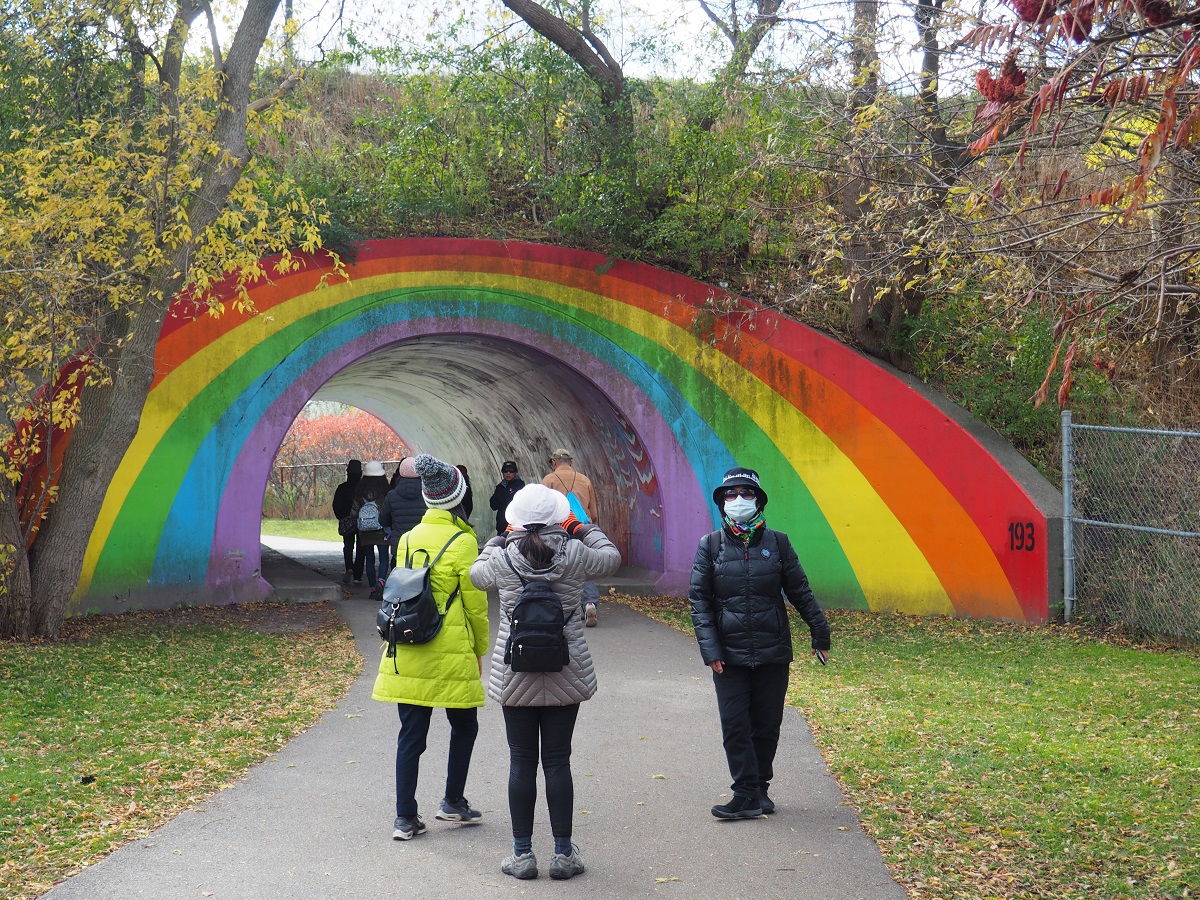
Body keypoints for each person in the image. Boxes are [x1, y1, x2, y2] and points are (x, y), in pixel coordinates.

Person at [471, 484, 621, 881]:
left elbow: (475, 575)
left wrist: (496, 539)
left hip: (515, 671)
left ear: (514, 520)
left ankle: (522, 855)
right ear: (558, 517)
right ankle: (562, 854)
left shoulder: (504, 557)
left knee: (521, 760)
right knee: (558, 761)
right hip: (564, 669)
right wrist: (582, 527)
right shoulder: (573, 553)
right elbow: (611, 559)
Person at [688, 465, 831, 820]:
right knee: (736, 724)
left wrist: (820, 632)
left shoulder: (778, 543)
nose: (739, 500)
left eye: (746, 493)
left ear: (759, 500)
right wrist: (711, 650)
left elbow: (800, 591)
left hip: (772, 651)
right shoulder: (711, 545)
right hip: (729, 655)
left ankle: (760, 791)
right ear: (722, 502)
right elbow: (699, 600)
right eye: (731, 495)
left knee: (767, 724)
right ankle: (745, 792)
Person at [372, 454, 489, 841]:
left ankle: (405, 817)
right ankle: (452, 801)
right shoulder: (464, 540)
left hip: (408, 644)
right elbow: (475, 603)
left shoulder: (407, 539)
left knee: (411, 736)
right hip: (451, 646)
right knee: (465, 725)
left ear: (427, 498)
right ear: (457, 498)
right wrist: (480, 648)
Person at [542, 448, 601, 627]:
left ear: (554, 462)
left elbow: (543, 508)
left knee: (555, 565)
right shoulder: (585, 480)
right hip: (582, 528)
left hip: (557, 529)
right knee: (582, 564)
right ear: (571, 462)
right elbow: (593, 512)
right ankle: (589, 602)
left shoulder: (549, 480)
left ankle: (558, 606)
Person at [351, 461, 392, 600]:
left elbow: (353, 513)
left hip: (365, 532)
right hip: (382, 530)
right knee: (384, 557)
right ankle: (381, 581)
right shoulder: (385, 492)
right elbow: (388, 511)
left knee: (369, 559)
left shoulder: (359, 491)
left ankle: (373, 588)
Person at [380, 456, 426, 569]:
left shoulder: (392, 495)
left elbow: (382, 520)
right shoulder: (428, 495)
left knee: (399, 576)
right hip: (422, 544)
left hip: (400, 544)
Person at [332, 458, 364, 585]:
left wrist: (341, 517)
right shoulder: (363, 489)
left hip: (346, 521)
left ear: (348, 473)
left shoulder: (342, 488)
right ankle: (358, 575)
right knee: (362, 548)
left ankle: (349, 568)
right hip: (362, 522)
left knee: (348, 546)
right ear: (360, 473)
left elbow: (336, 505)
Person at [488, 460, 525, 537]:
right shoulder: (500, 487)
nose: (508, 473)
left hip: (515, 526)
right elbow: (493, 505)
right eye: (505, 471)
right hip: (502, 526)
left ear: (515, 472)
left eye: (511, 471)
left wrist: (502, 497)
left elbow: (512, 502)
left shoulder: (520, 486)